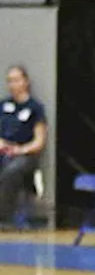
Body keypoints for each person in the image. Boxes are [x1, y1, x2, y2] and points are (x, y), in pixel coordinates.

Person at [0, 66, 46, 226]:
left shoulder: (35, 108)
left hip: (25, 154)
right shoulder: (3, 105)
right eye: (10, 81)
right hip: (3, 150)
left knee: (11, 171)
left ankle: (3, 217)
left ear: (26, 82)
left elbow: (39, 141)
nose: (13, 84)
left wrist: (20, 149)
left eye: (17, 80)